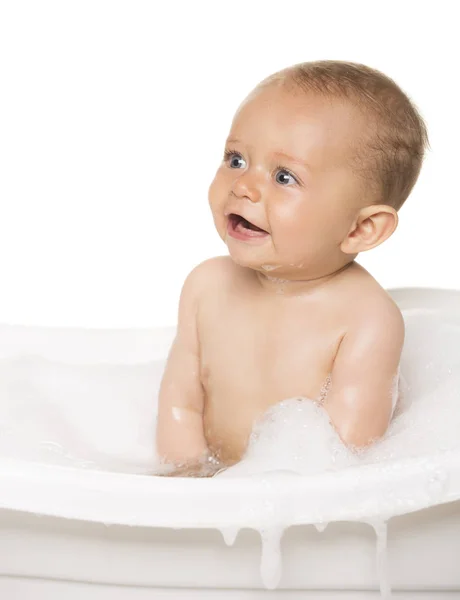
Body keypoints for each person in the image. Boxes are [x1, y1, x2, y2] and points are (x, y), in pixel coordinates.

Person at [155, 60, 429, 477]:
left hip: (300, 508)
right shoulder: (206, 287)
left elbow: (348, 452)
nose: (243, 185)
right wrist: (185, 475)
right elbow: (180, 401)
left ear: (361, 228)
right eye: (236, 158)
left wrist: (269, 494)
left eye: (284, 177)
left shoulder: (366, 319)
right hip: (213, 489)